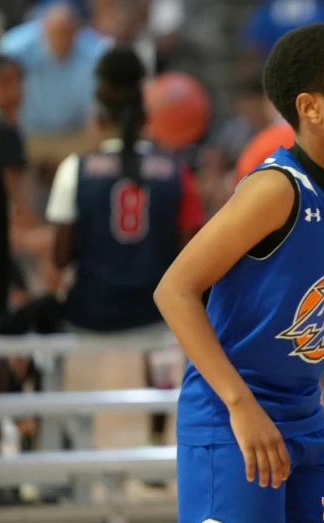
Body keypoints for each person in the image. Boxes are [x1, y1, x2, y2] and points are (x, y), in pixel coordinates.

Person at [154, 23, 324, 523]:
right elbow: (173, 290)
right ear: (311, 107)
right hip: (232, 417)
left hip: (305, 416)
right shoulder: (276, 190)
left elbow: (307, 305)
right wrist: (239, 404)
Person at [45, 46, 205, 448]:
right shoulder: (175, 170)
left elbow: (60, 256)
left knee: (40, 332)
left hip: (91, 313)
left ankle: (63, 445)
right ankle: (155, 438)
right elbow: (190, 253)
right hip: (156, 314)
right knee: (171, 326)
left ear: (99, 117)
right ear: (145, 114)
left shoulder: (75, 168)